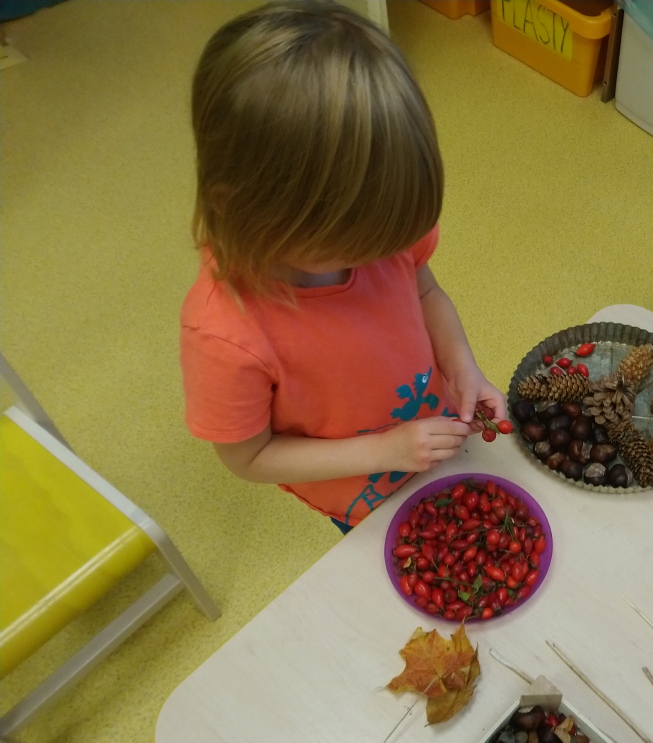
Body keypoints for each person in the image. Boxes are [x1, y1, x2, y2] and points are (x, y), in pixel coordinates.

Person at [180, 1, 505, 532]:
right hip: (360, 489)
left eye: (389, 239)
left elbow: (425, 292)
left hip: (434, 439)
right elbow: (249, 457)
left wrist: (462, 367)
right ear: (241, 208)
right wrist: (386, 450)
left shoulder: (377, 227)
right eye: (356, 246)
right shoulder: (225, 336)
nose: (381, 254)